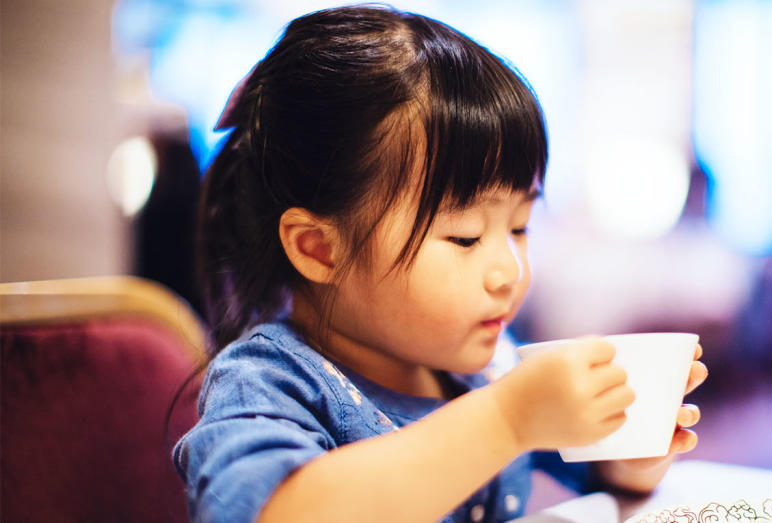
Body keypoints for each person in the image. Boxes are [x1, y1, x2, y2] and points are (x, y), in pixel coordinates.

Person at [174, 6, 708, 522]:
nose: (510, 271)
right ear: (320, 248)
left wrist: (631, 450)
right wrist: (507, 417)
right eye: (465, 236)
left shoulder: (480, 363)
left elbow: (597, 478)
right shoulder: (270, 384)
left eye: (519, 227)